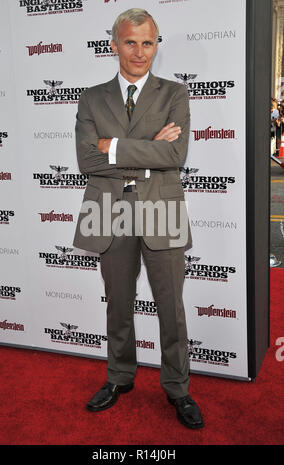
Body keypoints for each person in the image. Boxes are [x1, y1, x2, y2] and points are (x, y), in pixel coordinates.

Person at [73, 8, 204, 429]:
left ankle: (178, 388)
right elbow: (86, 159)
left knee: (172, 307)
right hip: (107, 210)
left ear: (156, 45)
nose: (140, 52)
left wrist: (115, 147)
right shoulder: (92, 97)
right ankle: (119, 377)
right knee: (118, 306)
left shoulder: (175, 94)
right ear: (114, 45)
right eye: (130, 42)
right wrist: (147, 152)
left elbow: (175, 156)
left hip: (161, 208)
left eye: (148, 42)